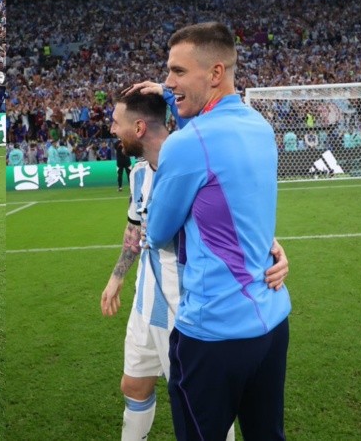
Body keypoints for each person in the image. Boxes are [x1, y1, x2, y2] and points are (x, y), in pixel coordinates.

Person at [101, 90, 289, 440]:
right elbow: (135, 229)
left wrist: (271, 248)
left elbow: (235, 217)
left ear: (139, 127)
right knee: (134, 384)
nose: (111, 129)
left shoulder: (195, 159)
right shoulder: (140, 174)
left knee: (207, 407)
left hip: (188, 304)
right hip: (148, 299)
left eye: (116, 122)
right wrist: (117, 277)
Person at [145, 22, 292, 440]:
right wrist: (273, 245)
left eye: (176, 72)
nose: (168, 82)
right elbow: (247, 213)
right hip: (271, 321)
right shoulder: (261, 127)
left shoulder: (188, 144)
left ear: (215, 73)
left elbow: (157, 233)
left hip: (214, 331)